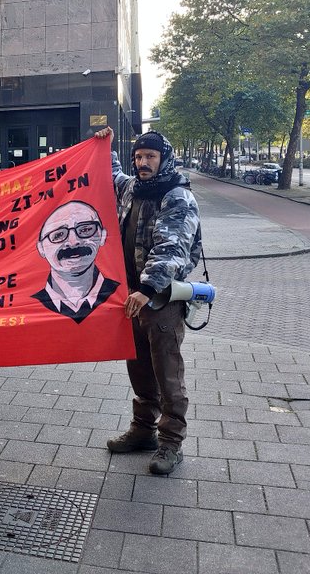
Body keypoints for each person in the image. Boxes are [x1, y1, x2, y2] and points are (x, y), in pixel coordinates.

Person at [96, 127, 202, 475]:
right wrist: (104, 144)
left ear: (164, 158)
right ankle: (143, 430)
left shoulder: (176, 196)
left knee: (167, 371)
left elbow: (171, 249)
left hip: (160, 299)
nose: (143, 163)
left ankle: (171, 443)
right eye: (139, 157)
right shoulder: (133, 187)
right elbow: (109, 174)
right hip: (132, 297)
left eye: (150, 157)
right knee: (139, 365)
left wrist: (146, 289)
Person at [31, 201, 119, 323]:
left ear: (103, 235)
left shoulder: (121, 294)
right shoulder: (27, 307)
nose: (73, 242)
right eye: (58, 235)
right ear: (41, 248)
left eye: (86, 229)